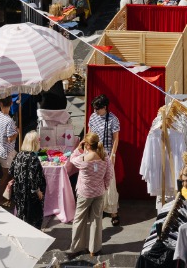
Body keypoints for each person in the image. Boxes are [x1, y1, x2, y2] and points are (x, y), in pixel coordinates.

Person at [68, 131, 114, 256]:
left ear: (87, 145)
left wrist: (78, 149)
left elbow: (72, 159)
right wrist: (104, 186)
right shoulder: (105, 156)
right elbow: (109, 174)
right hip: (99, 192)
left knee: (79, 220)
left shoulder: (83, 159)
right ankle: (95, 248)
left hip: (85, 193)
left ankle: (77, 248)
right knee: (96, 220)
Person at [86, 94, 121, 227]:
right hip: (94, 153)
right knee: (96, 182)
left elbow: (116, 138)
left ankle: (113, 211)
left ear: (104, 107)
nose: (95, 111)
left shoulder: (113, 119)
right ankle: (98, 208)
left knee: (110, 182)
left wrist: (113, 154)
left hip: (106, 153)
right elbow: (89, 133)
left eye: (97, 109)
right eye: (94, 109)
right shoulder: (93, 117)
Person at [8, 131, 45, 229]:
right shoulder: (33, 158)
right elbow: (33, 178)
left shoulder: (18, 155)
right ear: (35, 143)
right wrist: (38, 191)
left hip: (19, 191)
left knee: (21, 213)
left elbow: (10, 171)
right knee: (34, 217)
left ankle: (23, 231)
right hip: (31, 194)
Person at [0, 98, 18, 180]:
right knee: (6, 175)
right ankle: (2, 193)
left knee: (8, 174)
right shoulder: (9, 121)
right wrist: (17, 133)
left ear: (0, 103)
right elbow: (10, 139)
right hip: (7, 152)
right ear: (11, 103)